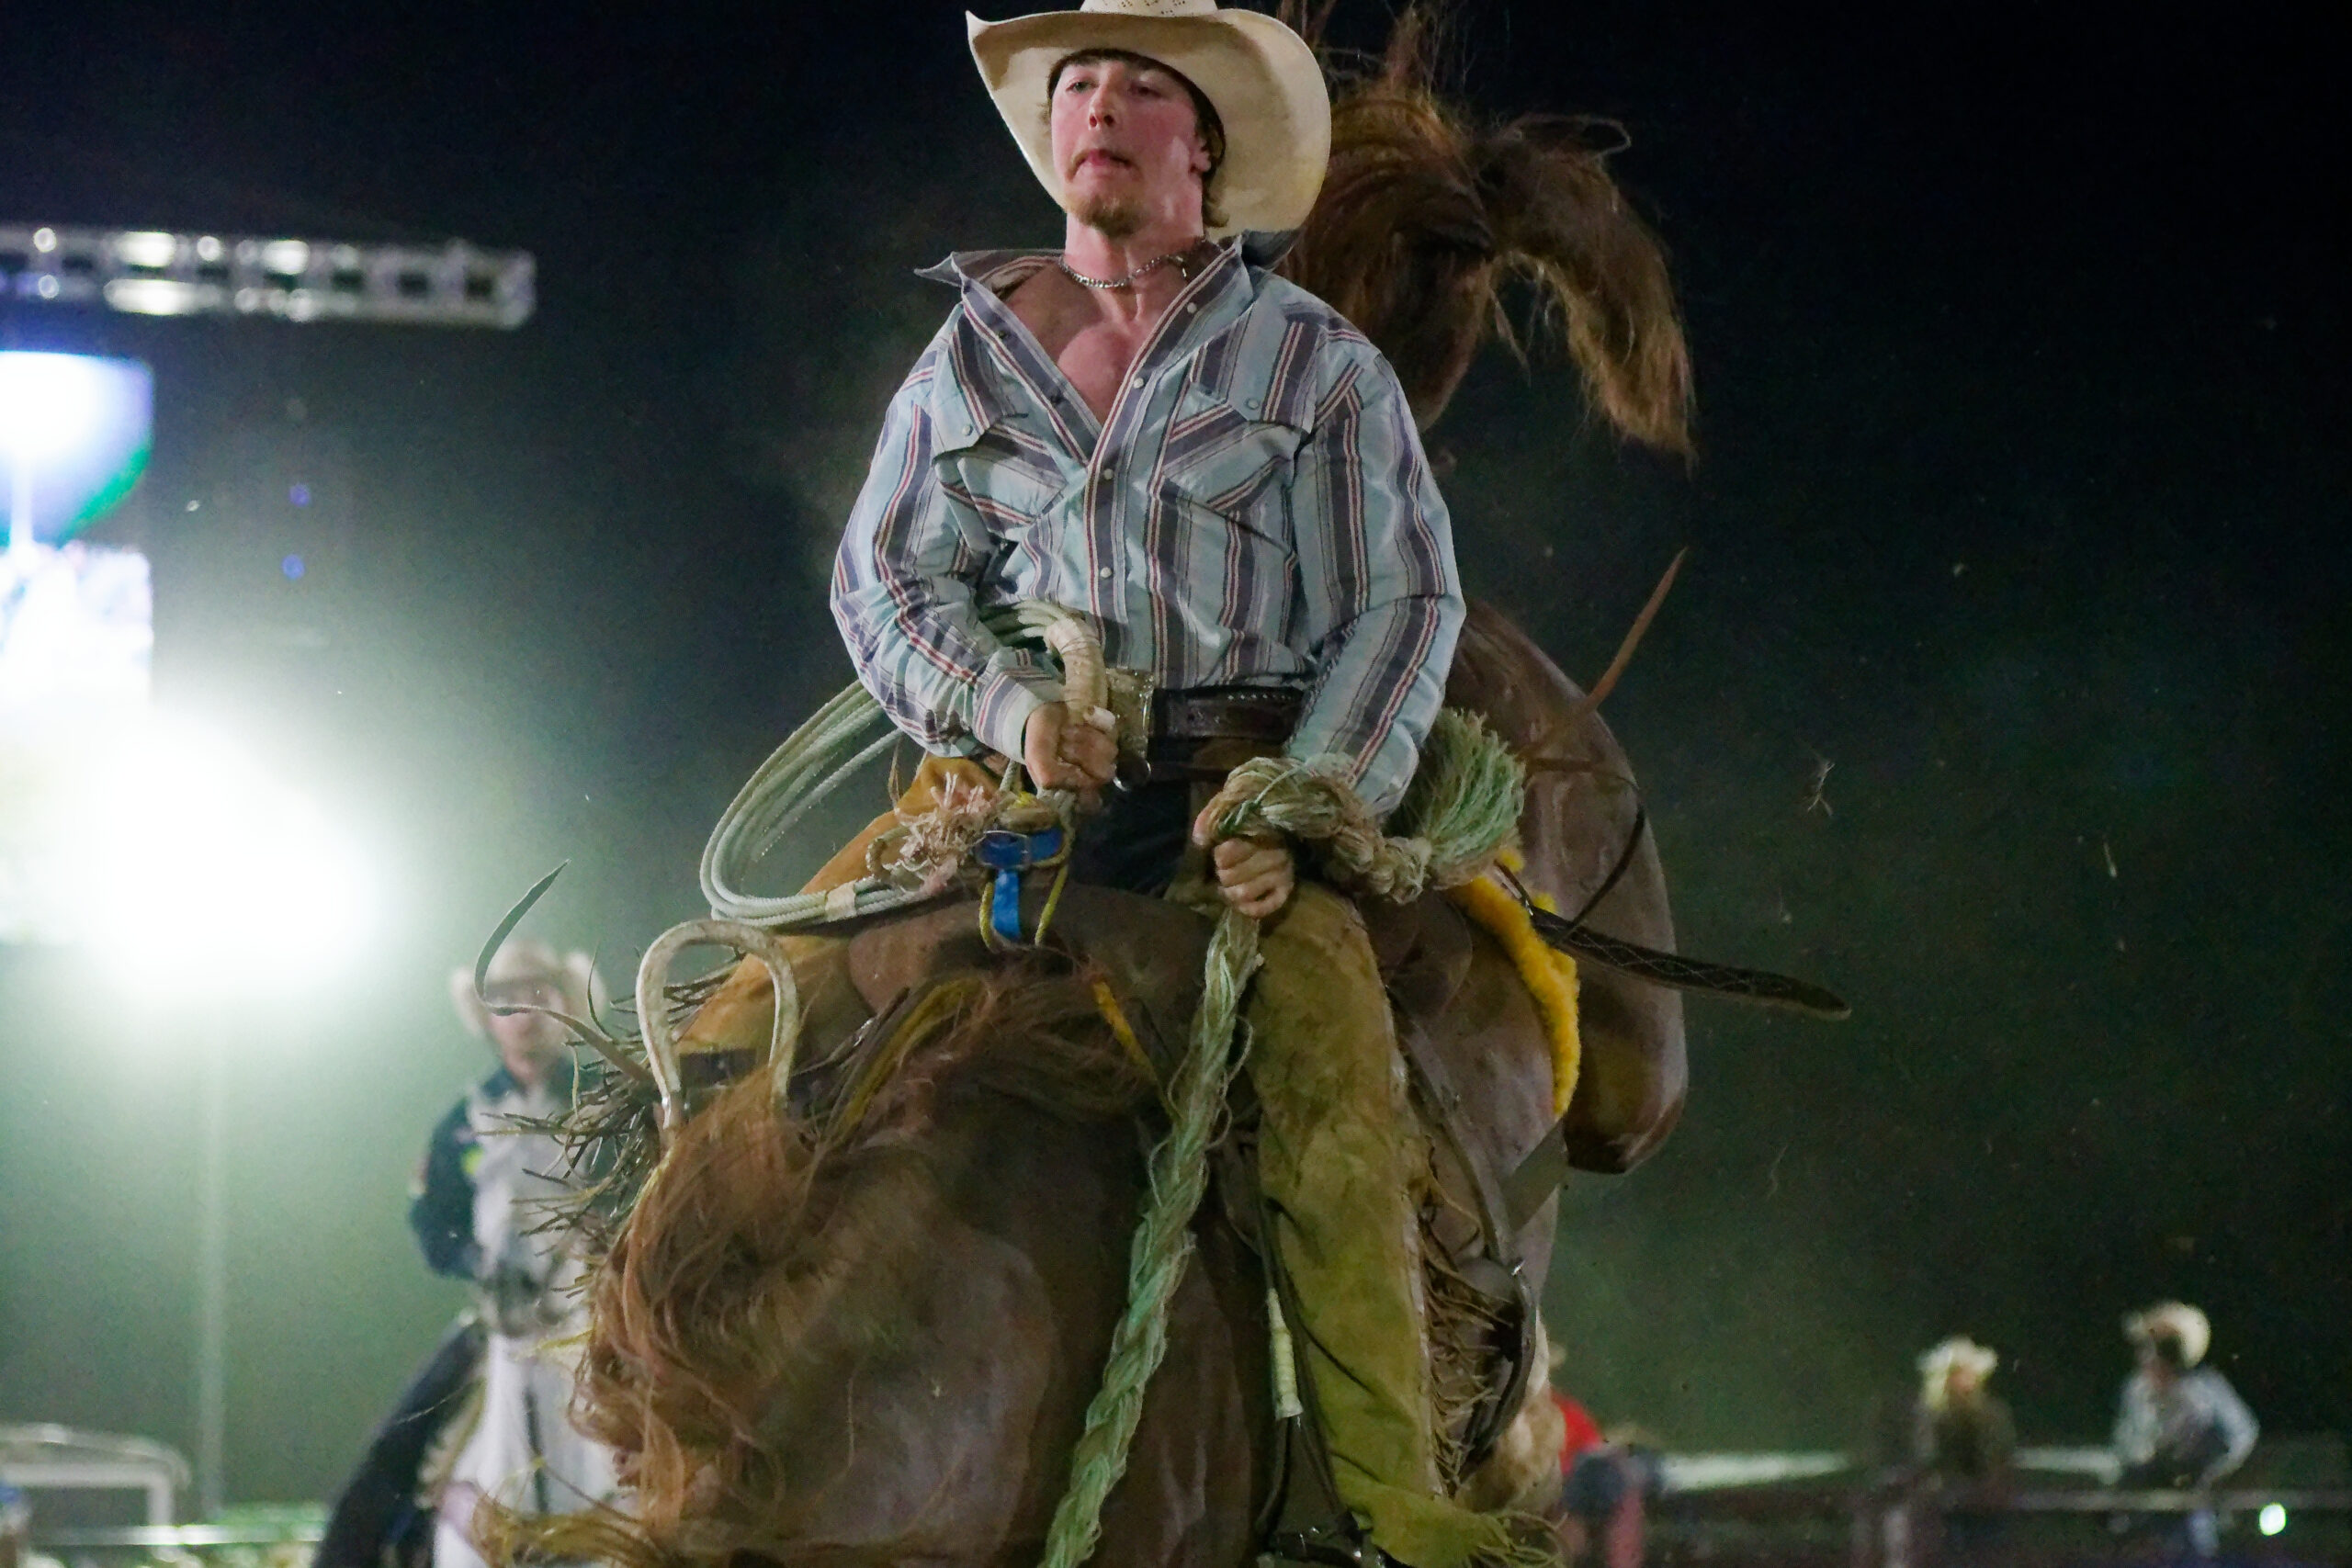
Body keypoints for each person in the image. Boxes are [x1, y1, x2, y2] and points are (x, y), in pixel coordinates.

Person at [820, 5, 1485, 1561]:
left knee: (1322, 1069)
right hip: (1029, 799)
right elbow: (885, 585)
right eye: (1074, 87)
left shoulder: (1314, 364)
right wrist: (1006, 701)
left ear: (1204, 147)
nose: (1094, 108)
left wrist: (1308, 803)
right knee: (790, 1019)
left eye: (1136, 87)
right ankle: (686, 1427)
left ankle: (1392, 1509)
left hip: (1242, 787)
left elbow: (1405, 600)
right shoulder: (968, 355)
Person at [408, 940, 618, 1568]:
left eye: (539, 994)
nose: (524, 1012)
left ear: (564, 1004)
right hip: (502, 1318)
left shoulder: (610, 1105)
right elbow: (429, 1220)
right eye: (508, 1000)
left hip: (604, 1316)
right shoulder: (462, 1120)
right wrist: (476, 1263)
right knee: (397, 1450)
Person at [2111, 1302, 2258, 1559]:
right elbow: (2124, 1442)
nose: (2144, 1356)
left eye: (2152, 1347)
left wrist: (2205, 1472)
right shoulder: (2137, 1390)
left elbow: (2240, 1436)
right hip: (2143, 1510)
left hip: (2190, 1510)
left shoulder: (2204, 1391)